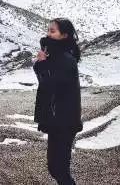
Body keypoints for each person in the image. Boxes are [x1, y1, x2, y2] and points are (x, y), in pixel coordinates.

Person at [33, 18, 83, 185]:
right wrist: (42, 63)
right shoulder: (55, 55)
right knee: (55, 168)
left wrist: (41, 64)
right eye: (48, 30)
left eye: (52, 31)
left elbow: (50, 83)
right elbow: (47, 82)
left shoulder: (65, 59)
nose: (48, 34)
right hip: (57, 119)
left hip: (64, 121)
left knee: (59, 169)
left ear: (64, 35)